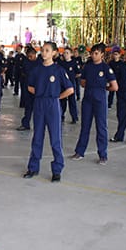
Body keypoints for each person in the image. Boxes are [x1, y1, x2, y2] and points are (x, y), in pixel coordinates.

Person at [22, 42, 73, 182]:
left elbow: (70, 89)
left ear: (54, 53)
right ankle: (33, 167)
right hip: (39, 103)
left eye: (47, 50)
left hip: (52, 105)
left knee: (55, 138)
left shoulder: (59, 70)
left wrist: (56, 97)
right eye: (42, 50)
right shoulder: (36, 70)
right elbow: (30, 87)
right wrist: (40, 93)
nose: (44, 53)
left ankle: (57, 169)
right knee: (37, 137)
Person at [71, 43, 118, 164]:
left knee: (101, 127)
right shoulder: (87, 67)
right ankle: (80, 151)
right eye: (92, 53)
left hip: (100, 100)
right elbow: (82, 82)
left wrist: (103, 88)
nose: (93, 55)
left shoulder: (106, 68)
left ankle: (102, 154)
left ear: (102, 54)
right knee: (85, 126)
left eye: (96, 53)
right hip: (87, 100)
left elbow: (115, 87)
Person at [16, 46, 39, 131]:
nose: (30, 58)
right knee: (28, 107)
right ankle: (25, 124)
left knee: (38, 108)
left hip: (38, 88)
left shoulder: (40, 62)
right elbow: (23, 73)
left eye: (31, 56)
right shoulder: (26, 62)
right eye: (28, 56)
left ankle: (39, 125)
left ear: (35, 54)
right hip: (28, 87)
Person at [59, 47, 80, 123]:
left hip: (71, 84)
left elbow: (78, 73)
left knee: (72, 101)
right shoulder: (61, 63)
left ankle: (74, 117)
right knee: (62, 101)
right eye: (64, 53)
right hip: (62, 85)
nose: (65, 55)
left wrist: (73, 77)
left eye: (67, 53)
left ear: (71, 54)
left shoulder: (74, 63)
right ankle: (61, 115)